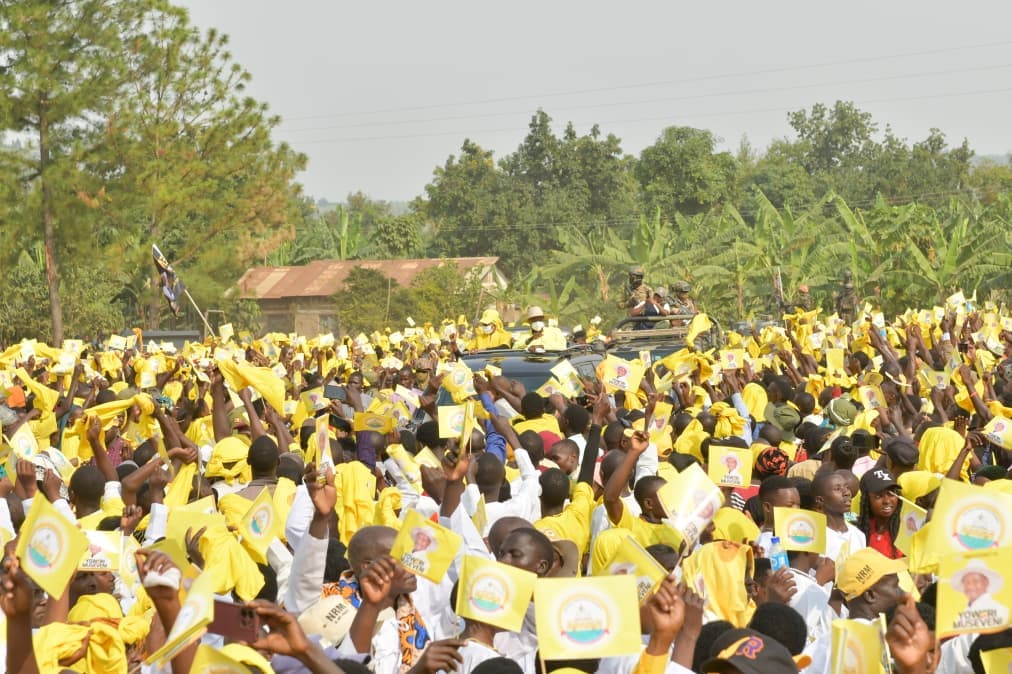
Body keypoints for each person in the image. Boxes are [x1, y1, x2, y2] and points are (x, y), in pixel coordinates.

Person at [857, 468, 903, 559]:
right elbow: (844, 515)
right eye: (879, 496)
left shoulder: (907, 528)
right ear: (867, 500)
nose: (886, 501)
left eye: (891, 494)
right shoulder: (858, 527)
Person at [951, 559, 1009, 630]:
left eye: (976, 581)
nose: (970, 586)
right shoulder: (961, 615)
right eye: (967, 582)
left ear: (986, 583)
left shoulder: (1000, 610)